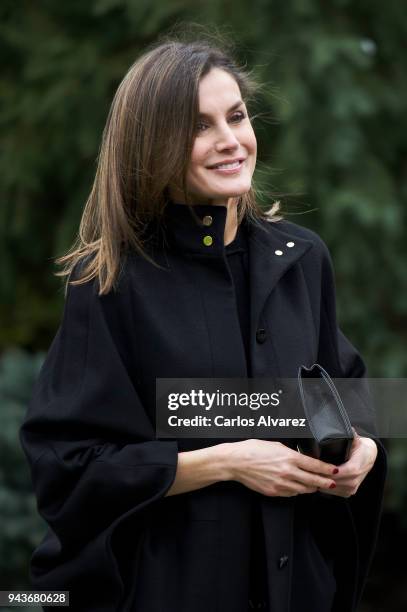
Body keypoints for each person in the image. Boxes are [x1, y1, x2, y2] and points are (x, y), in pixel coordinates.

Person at [20, 35, 386, 612]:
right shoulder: (111, 284)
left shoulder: (303, 260)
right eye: (199, 127)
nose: (230, 141)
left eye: (236, 116)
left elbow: (348, 396)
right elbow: (67, 471)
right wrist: (226, 462)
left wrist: (362, 446)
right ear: (152, 146)